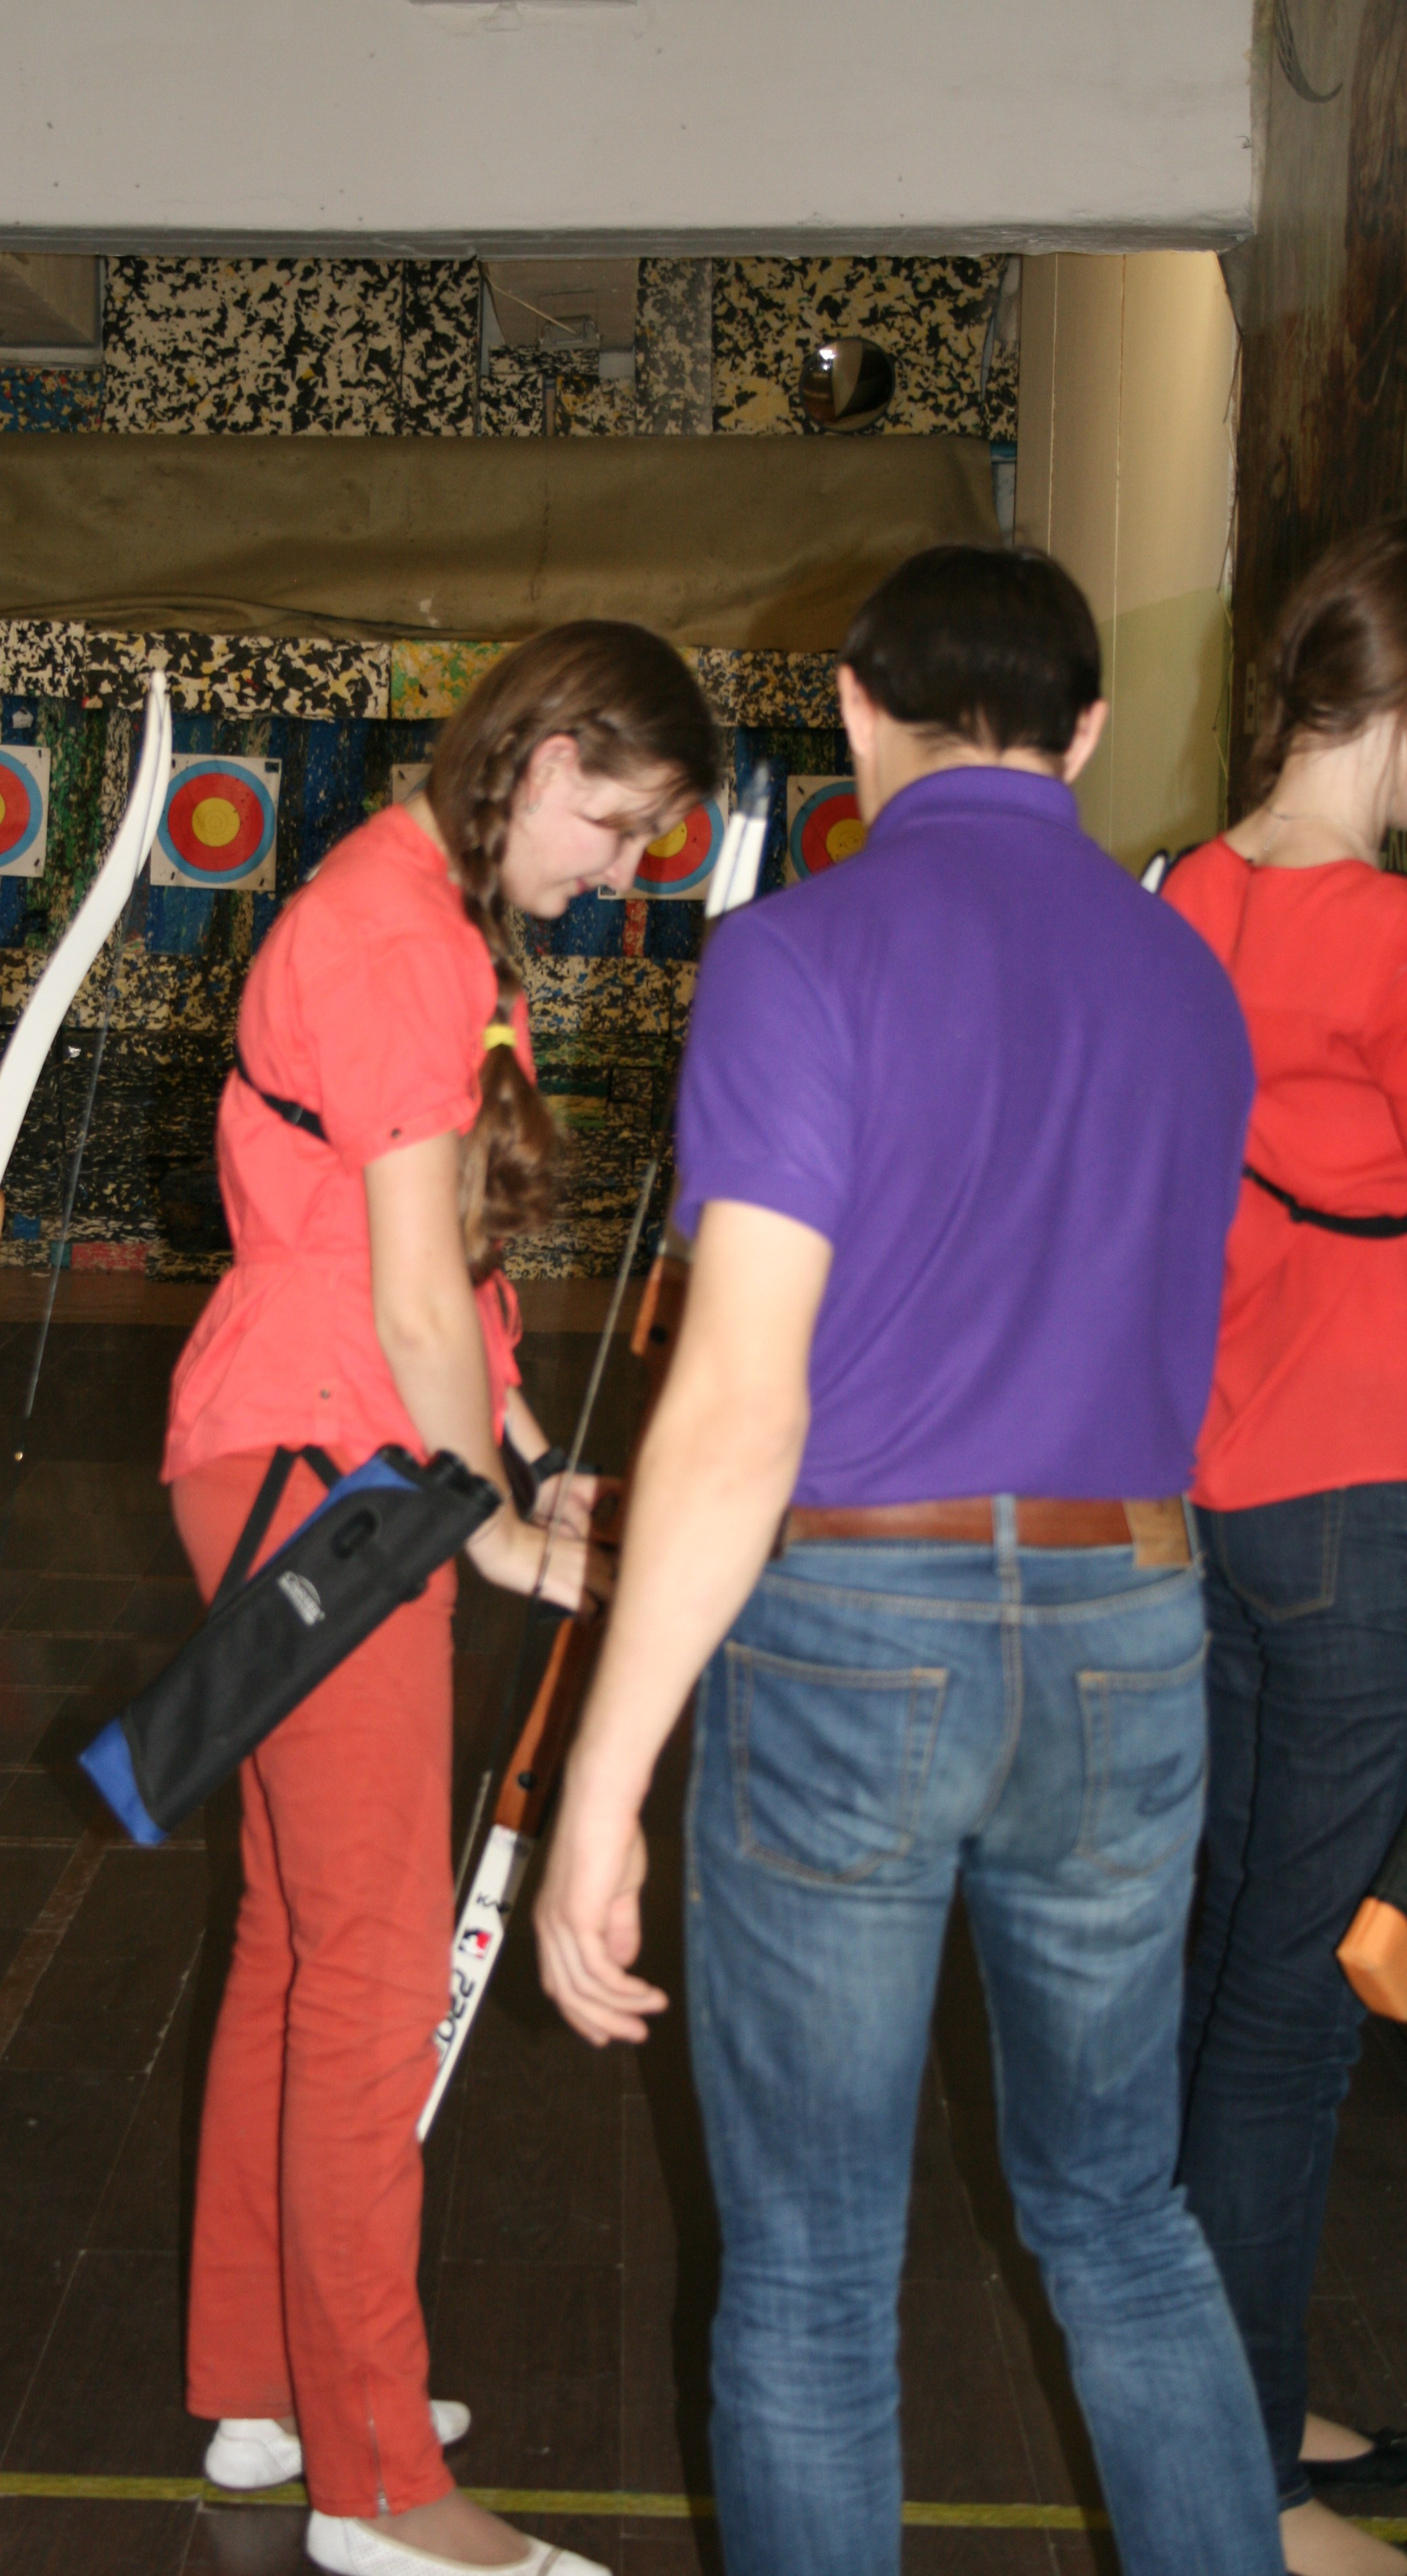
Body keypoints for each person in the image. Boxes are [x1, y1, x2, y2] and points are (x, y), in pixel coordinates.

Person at [533, 547, 1286, 2576]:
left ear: (855, 711)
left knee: (805, 2271)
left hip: (861, 1625)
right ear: (1089, 731)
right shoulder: (1184, 978)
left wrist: (603, 1783)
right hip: (1135, 1621)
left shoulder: (799, 959)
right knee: (1124, 2219)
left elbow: (737, 1407)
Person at [162, 622, 717, 2576]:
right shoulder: (407, 935)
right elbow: (401, 1295)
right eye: (620, 823)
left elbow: (441, 1283)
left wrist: (525, 1446)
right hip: (335, 1484)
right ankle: (379, 2484)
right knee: (375, 1980)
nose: (623, 870)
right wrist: (486, 1528)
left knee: (306, 1953)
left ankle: (266, 2381)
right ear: (546, 754)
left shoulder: (416, 907)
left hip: (320, 1455)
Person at [1165, 521, 1407, 2576]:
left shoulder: (1186, 891)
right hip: (1364, 1506)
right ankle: (1231, 2486)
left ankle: (1238, 2386)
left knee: (1244, 1955)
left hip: (1229, 1497)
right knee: (1293, 2009)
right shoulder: (1393, 944)